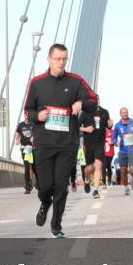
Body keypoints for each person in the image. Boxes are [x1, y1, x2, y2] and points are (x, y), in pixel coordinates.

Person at [23, 43, 97, 238]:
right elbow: (28, 110)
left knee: (61, 187)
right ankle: (44, 202)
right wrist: (36, 116)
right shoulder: (37, 83)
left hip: (67, 144)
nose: (61, 62)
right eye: (57, 59)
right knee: (45, 186)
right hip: (44, 144)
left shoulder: (75, 81)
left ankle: (56, 226)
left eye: (64, 59)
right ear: (49, 59)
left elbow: (94, 100)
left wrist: (81, 103)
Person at [80, 101, 111, 198]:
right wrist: (85, 129)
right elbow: (75, 126)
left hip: (100, 143)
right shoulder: (85, 112)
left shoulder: (104, 112)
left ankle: (96, 190)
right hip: (88, 144)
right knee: (89, 168)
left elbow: (108, 126)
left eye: (97, 99)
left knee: (98, 166)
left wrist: (110, 125)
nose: (95, 101)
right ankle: (87, 180)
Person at [111, 107, 133, 195]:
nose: (125, 114)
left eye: (126, 112)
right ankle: (126, 187)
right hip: (123, 151)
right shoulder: (117, 125)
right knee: (123, 170)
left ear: (128, 113)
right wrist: (116, 142)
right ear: (120, 114)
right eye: (123, 112)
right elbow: (113, 138)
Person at [13, 113, 36, 194]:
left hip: (33, 147)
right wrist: (17, 140)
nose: (26, 116)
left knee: (34, 166)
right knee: (26, 166)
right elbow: (17, 132)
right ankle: (28, 186)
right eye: (25, 115)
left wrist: (35, 137)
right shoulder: (21, 125)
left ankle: (37, 183)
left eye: (28, 115)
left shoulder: (33, 124)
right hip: (24, 148)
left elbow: (38, 133)